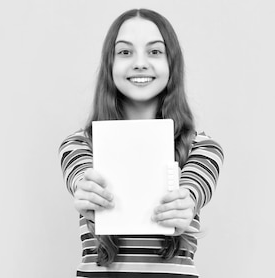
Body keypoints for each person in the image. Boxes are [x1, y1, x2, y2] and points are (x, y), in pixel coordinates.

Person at [58, 8, 223, 278]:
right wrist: (86, 192)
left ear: (172, 63)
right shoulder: (79, 144)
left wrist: (185, 205)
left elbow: (193, 190)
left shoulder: (202, 148)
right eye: (125, 52)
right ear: (109, 64)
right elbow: (79, 176)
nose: (140, 63)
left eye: (155, 52)